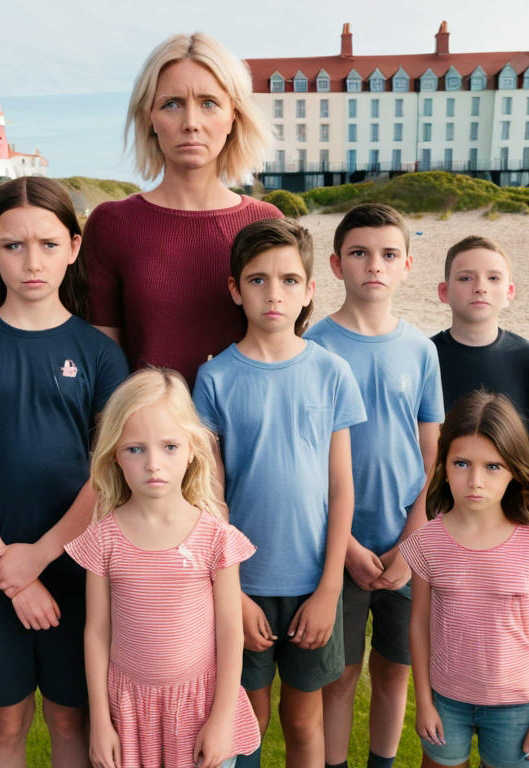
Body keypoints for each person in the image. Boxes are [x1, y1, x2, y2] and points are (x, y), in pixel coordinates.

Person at [0, 177, 128, 767]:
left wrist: (38, 557)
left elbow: (107, 474)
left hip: (76, 562)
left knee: (71, 715)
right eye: (13, 245)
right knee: (7, 721)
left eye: (46, 244)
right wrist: (6, 566)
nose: (31, 261)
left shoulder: (98, 353)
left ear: (73, 245)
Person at [193, 218, 364, 766]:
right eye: (258, 280)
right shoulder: (216, 378)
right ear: (234, 289)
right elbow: (209, 499)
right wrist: (234, 593)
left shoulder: (332, 372)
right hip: (241, 585)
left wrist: (330, 588)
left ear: (311, 290)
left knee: (303, 718)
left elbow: (341, 489)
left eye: (290, 280)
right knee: (248, 718)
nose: (274, 293)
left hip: (314, 581)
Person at [305, 202, 444, 768]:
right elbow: (307, 461)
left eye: (388, 255)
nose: (374, 266)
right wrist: (351, 551)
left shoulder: (422, 349)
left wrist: (411, 542)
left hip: (407, 544)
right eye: (359, 254)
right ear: (337, 265)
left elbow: (432, 453)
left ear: (407, 265)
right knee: (339, 677)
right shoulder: (314, 347)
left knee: (395, 672)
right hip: (337, 546)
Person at [65, 368, 260, 768]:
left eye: (169, 446)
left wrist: (221, 719)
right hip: (131, 713)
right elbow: (97, 632)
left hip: (200, 708)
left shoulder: (215, 537)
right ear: (115, 454)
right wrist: (100, 722)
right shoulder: (103, 538)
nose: (154, 463)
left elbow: (229, 631)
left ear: (192, 448)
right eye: (136, 449)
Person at [83, 32, 282, 385]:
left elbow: (283, 351)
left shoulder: (266, 223)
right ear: (149, 118)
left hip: (248, 436)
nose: (191, 122)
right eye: (172, 103)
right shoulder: (111, 225)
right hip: (143, 435)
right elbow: (102, 367)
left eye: (208, 103)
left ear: (232, 116)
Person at [400, 391, 529, 768]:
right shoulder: (427, 542)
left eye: (492, 466)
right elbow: (419, 624)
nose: (475, 480)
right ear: (444, 464)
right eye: (462, 463)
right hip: (447, 700)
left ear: (514, 469)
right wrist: (423, 702)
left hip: (518, 706)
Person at [430, 235, 529, 444]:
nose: (480, 287)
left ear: (509, 292)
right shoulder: (424, 356)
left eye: (493, 278)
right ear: (444, 292)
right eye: (465, 278)